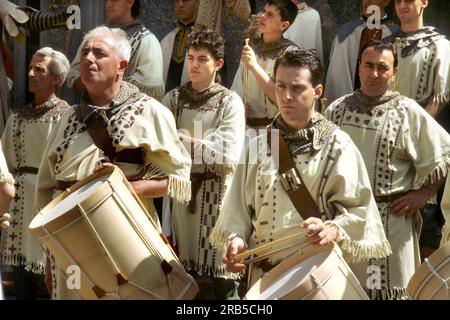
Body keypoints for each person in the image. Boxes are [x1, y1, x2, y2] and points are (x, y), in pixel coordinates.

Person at [211, 47, 391, 292]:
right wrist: (237, 240)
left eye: (296, 88)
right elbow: (237, 211)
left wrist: (332, 229)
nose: (286, 96)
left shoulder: (338, 146)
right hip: (262, 282)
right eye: (280, 86)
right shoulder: (257, 145)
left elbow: (360, 212)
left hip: (315, 278)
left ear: (317, 91)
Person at [34, 26, 192, 299]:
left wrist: (130, 188)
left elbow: (178, 180)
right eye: (84, 52)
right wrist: (50, 254)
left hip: (124, 236)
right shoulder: (67, 117)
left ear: (121, 66)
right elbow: (45, 187)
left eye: (99, 53)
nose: (88, 59)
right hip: (70, 243)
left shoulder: (150, 111)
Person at [324, 40, 450, 299]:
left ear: (394, 74)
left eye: (383, 68)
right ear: (359, 67)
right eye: (368, 65)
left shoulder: (407, 111)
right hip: (345, 222)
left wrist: (423, 194)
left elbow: (444, 153)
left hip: (391, 223)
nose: (374, 74)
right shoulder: (335, 111)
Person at [161, 30, 245, 300]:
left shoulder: (230, 102)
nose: (194, 64)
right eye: (191, 57)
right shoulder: (173, 99)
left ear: (218, 64)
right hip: (182, 196)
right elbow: (159, 145)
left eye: (202, 59)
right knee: (182, 278)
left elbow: (228, 152)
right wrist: (194, 146)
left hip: (219, 196)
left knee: (223, 282)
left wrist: (183, 142)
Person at [1, 47, 70, 300]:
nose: (30, 74)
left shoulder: (65, 115)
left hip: (47, 198)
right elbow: (5, 163)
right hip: (18, 203)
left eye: (39, 70)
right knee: (19, 277)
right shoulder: (16, 117)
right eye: (30, 68)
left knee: (46, 275)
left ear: (57, 78)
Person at [67, 0, 165, 101]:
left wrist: (104, 83)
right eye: (106, 0)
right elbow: (73, 75)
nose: (109, 4)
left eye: (114, 0)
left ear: (130, 2)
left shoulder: (147, 40)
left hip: (129, 112)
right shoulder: (95, 36)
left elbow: (151, 87)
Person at [231, 0, 298, 129]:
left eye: (270, 15)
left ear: (283, 25)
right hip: (245, 128)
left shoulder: (291, 54)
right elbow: (237, 86)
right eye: (264, 11)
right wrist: (237, 107)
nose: (262, 16)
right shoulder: (251, 47)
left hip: (275, 131)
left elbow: (284, 98)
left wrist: (254, 66)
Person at [324, 0, 398, 103]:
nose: (366, 2)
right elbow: (337, 79)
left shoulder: (396, 33)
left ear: (386, 2)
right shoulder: (346, 33)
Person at [160, 0, 198, 94]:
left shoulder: (207, 40)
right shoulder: (164, 37)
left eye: (186, 0)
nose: (180, 4)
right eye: (177, 1)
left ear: (198, 2)